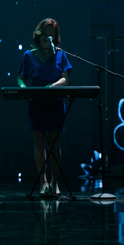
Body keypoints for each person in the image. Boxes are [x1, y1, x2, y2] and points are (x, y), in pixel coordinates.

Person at [17, 18, 72, 196]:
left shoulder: (60, 55)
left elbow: (65, 79)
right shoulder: (28, 55)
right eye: (45, 33)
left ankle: (55, 183)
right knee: (39, 145)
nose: (48, 37)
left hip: (55, 104)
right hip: (36, 104)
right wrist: (24, 89)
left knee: (55, 146)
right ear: (39, 35)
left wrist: (52, 86)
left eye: (51, 34)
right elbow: (20, 78)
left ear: (55, 37)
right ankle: (43, 182)